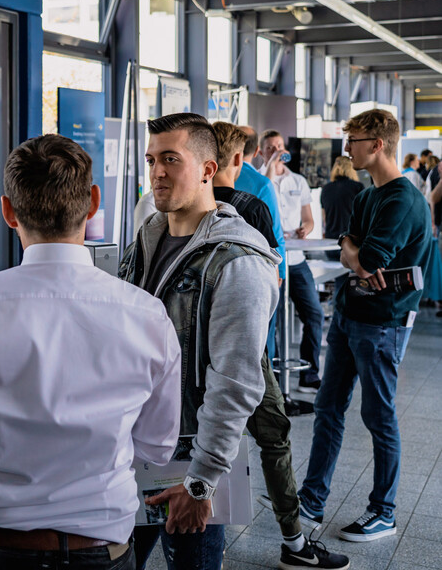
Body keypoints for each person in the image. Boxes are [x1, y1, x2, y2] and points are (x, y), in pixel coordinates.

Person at [0, 134, 183, 570]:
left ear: (8, 212)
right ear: (93, 202)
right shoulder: (147, 316)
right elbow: (157, 448)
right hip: (102, 552)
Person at [119, 113, 279, 570]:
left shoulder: (238, 261)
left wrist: (201, 482)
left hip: (188, 464)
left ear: (209, 169)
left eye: (171, 159)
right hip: (134, 450)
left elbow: (235, 384)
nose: (157, 172)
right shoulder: (148, 238)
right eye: (152, 160)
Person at [211, 122, 349, 570]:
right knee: (272, 437)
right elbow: (271, 276)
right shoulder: (254, 202)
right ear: (240, 157)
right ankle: (293, 541)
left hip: (194, 348)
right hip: (246, 347)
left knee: (197, 439)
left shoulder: (178, 206)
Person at [298, 109, 432, 543]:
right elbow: (348, 247)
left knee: (378, 416)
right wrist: (353, 250)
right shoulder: (366, 196)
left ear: (376, 145)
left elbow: (368, 259)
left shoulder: (402, 199)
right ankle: (311, 499)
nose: (346, 148)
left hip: (383, 324)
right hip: (349, 314)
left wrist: (357, 254)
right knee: (328, 409)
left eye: (352, 140)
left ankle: (383, 511)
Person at [259, 129, 323, 393]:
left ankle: (309, 374)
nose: (277, 150)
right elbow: (262, 194)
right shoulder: (261, 180)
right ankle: (271, 379)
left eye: (280, 146)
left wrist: (305, 228)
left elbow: (309, 219)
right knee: (270, 321)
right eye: (271, 147)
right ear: (261, 151)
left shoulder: (298, 181)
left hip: (296, 260)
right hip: (270, 261)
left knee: (314, 314)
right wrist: (271, 167)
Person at [235, 125, 286, 365]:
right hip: (259, 269)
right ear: (257, 151)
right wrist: (280, 271)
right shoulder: (262, 184)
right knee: (263, 335)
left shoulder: (207, 179)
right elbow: (274, 234)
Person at [321, 156, 364, 262]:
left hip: (330, 242)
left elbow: (324, 218)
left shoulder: (326, 189)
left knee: (334, 271)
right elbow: (363, 217)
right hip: (351, 242)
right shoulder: (357, 187)